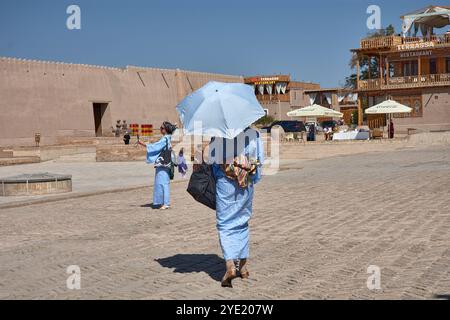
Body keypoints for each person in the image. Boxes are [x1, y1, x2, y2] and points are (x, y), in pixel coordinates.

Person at [207, 127, 264, 288]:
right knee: (242, 221)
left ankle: (230, 266)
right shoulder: (254, 134)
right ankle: (243, 267)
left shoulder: (218, 134)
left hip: (225, 184)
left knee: (225, 224)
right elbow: (259, 160)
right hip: (246, 183)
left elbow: (213, 160)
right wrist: (247, 174)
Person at [138, 121, 177, 210]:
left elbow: (156, 146)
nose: (160, 129)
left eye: (162, 128)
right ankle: (164, 202)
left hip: (163, 164)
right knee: (164, 183)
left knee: (162, 183)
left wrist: (143, 144)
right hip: (166, 163)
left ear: (166, 130)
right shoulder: (168, 137)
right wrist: (174, 127)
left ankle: (165, 203)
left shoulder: (165, 139)